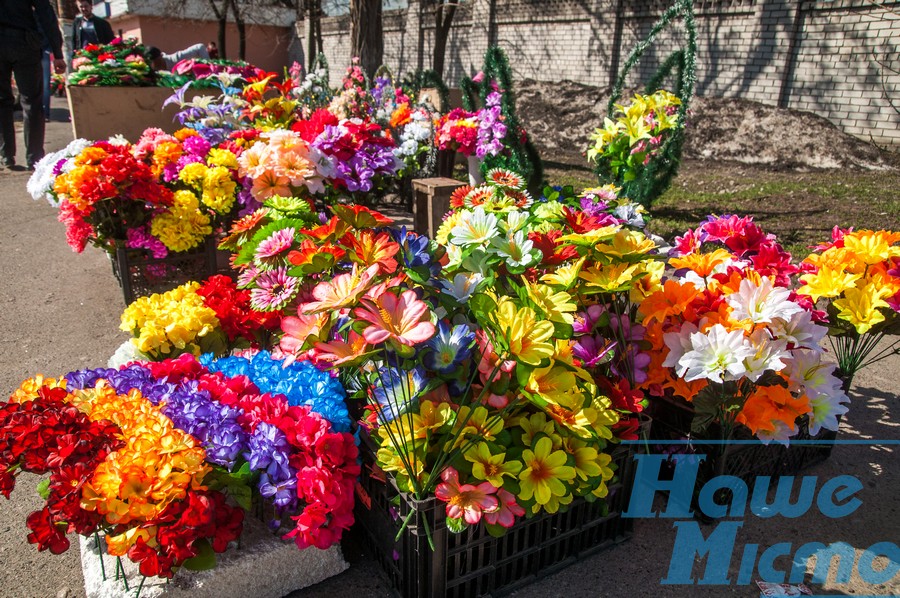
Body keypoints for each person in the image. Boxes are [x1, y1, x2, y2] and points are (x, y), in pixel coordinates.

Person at [0, 0, 66, 171]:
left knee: (1, 101)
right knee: (32, 102)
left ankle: (6, 155)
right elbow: (46, 13)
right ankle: (34, 158)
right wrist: (57, 52)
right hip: (25, 42)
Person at [146, 44, 210, 71]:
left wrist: (208, 66)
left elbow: (199, 47)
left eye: (155, 61)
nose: (153, 65)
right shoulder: (151, 71)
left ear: (161, 56)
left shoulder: (177, 58)